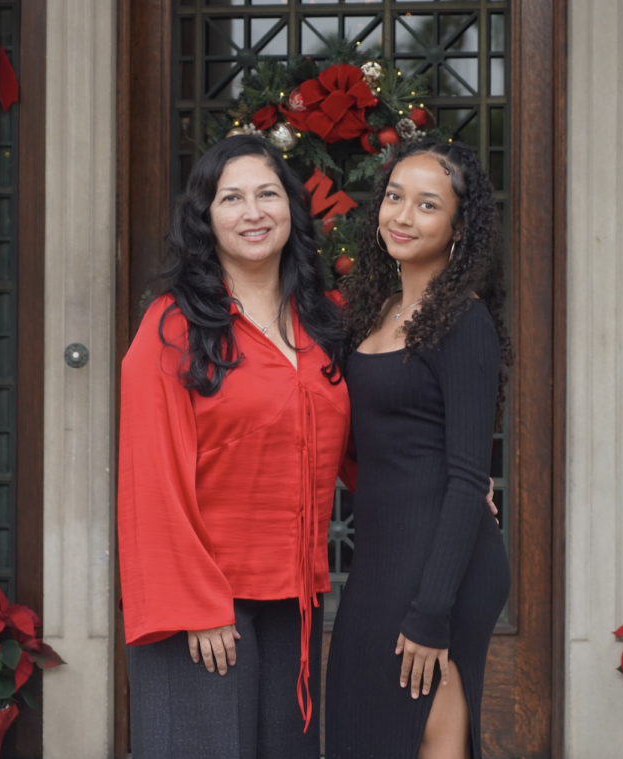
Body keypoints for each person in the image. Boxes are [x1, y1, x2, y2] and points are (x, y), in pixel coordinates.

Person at [116, 134, 350, 758]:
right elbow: (150, 479)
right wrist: (197, 604)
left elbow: (349, 440)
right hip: (201, 603)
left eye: (268, 194)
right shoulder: (173, 326)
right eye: (232, 198)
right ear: (207, 219)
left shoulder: (322, 321)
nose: (253, 212)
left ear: (291, 209)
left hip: (293, 596)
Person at [325, 139, 514, 759]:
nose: (401, 216)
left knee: (422, 732)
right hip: (382, 556)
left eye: (427, 205)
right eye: (394, 197)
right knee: (362, 728)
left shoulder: (462, 320)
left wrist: (432, 611)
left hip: (441, 567)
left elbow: (468, 479)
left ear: (459, 228)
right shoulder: (375, 312)